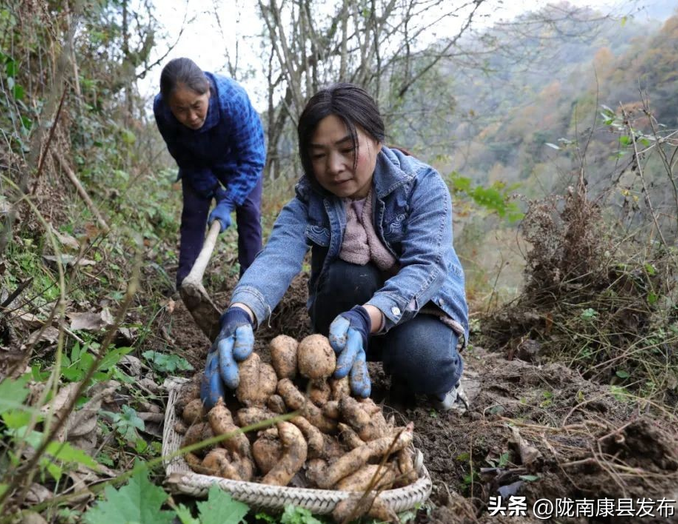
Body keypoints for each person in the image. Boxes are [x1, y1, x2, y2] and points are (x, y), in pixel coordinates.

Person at [201, 83, 469, 412]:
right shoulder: (309, 200)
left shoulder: (422, 186)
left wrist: (365, 316)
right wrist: (239, 313)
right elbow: (277, 257)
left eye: (347, 149)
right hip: (353, 312)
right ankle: (337, 366)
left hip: (419, 309)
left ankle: (423, 369)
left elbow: (427, 267)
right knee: (346, 276)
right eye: (318, 155)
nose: (334, 166)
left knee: (423, 360)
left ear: (377, 139)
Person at [153, 58, 266, 288]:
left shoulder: (233, 100)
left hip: (239, 159)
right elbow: (182, 154)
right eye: (181, 111)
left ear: (208, 90)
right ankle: (187, 283)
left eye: (197, 105)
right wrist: (212, 189)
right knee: (193, 214)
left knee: (249, 213)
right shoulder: (162, 109)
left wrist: (229, 200)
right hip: (198, 160)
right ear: (169, 105)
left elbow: (253, 159)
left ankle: (252, 287)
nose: (192, 117)